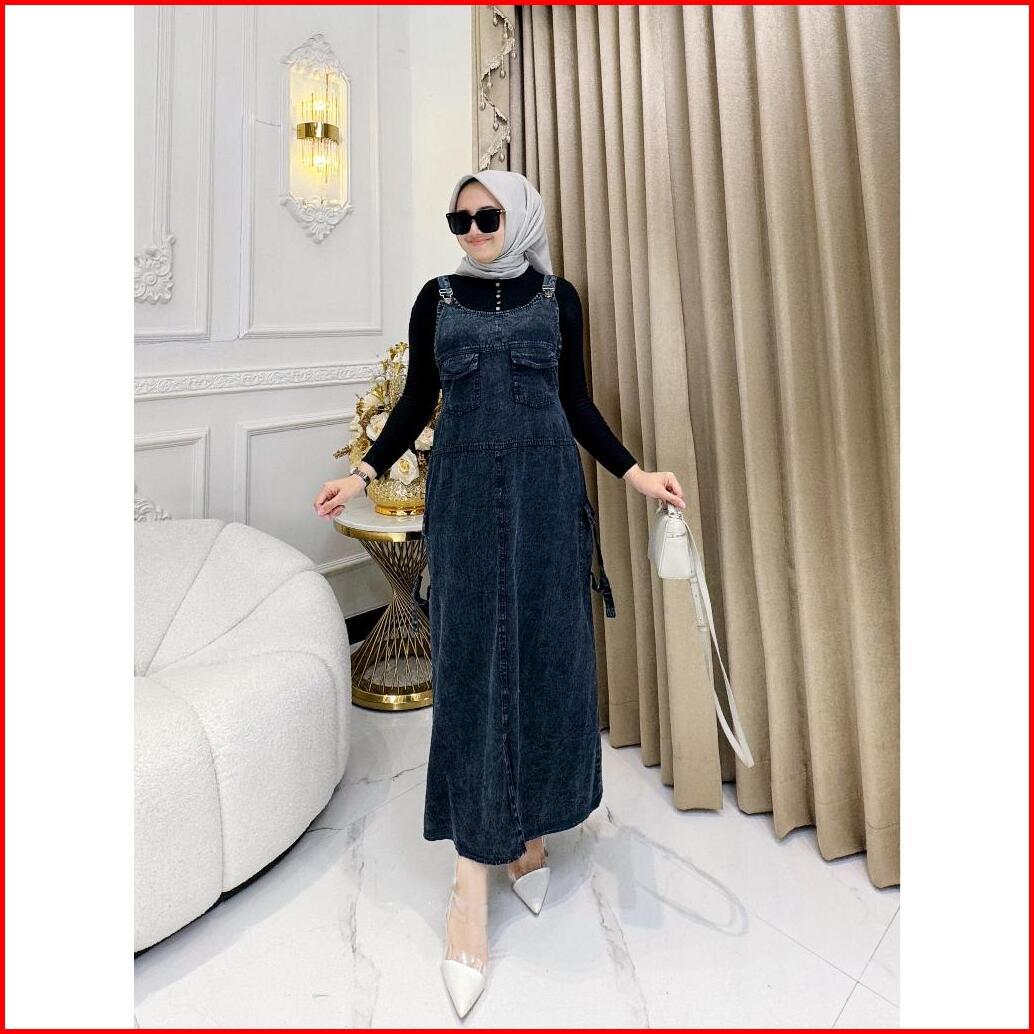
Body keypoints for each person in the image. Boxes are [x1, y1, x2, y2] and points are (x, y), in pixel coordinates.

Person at [313, 171, 685, 1019]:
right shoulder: (436, 299)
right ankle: (468, 887)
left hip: (548, 498)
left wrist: (635, 474)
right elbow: (418, 400)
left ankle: (530, 834)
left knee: (548, 658)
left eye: (487, 216)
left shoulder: (558, 299)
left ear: (517, 217)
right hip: (464, 506)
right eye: (460, 218)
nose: (473, 230)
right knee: (474, 671)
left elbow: (576, 402)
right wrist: (362, 472)